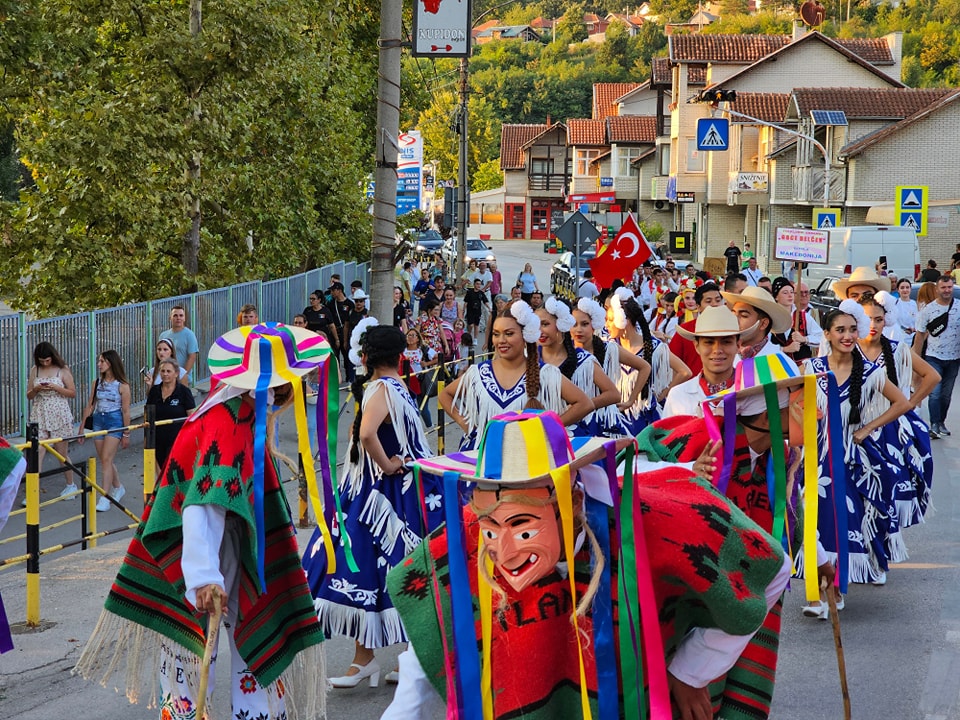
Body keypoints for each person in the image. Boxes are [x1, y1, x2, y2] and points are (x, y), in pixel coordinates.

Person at [381, 411, 791, 720]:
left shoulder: (654, 519)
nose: (502, 551)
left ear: (574, 503)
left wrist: (691, 670)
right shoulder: (467, 540)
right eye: (489, 526)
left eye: (523, 525)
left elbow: (773, 568)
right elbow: (430, 626)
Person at [77, 322, 329, 720]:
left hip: (229, 541)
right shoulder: (226, 420)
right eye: (287, 380)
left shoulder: (241, 411)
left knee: (239, 647)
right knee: (191, 656)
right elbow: (201, 505)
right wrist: (203, 576)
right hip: (200, 548)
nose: (292, 387)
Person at [304, 322, 441, 688]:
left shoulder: (381, 388)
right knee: (380, 571)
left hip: (381, 493)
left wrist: (385, 465)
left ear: (365, 357)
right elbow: (369, 434)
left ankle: (389, 659)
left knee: (378, 570)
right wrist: (389, 464)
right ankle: (369, 660)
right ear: (399, 356)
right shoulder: (390, 387)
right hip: (389, 493)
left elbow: (366, 434)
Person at [803, 302, 913, 597]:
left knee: (855, 518)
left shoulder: (871, 372)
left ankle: (841, 584)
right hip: (819, 458)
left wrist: (868, 428)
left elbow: (902, 403)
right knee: (818, 522)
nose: (848, 336)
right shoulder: (810, 369)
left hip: (855, 458)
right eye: (840, 330)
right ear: (826, 334)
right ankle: (823, 588)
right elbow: (796, 409)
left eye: (852, 329)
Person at [440, 300, 592, 450]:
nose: (501, 341)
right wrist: (464, 423)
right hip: (483, 457)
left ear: (525, 335)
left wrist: (548, 427)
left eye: (509, 334)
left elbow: (585, 404)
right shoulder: (478, 373)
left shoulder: (546, 374)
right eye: (496, 334)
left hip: (528, 459)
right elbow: (445, 394)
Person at [857, 294, 936, 544]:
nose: (873, 324)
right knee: (859, 490)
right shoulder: (848, 349)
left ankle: (883, 547)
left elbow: (932, 376)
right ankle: (861, 547)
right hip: (856, 428)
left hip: (890, 429)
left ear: (886, 321)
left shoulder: (897, 349)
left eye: (878, 319)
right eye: (868, 319)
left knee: (888, 487)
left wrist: (910, 404)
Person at [607, 289, 691, 436]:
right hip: (616, 417)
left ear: (623, 321)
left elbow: (685, 372)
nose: (606, 324)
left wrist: (662, 395)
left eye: (610, 319)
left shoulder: (655, 347)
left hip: (645, 418)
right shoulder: (609, 346)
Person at [537, 297, 622, 436]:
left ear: (561, 324)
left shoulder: (584, 361)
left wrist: (580, 407)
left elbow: (613, 394)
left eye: (545, 324)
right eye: (536, 325)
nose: (540, 330)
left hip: (577, 435)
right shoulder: (529, 359)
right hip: (538, 434)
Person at [571, 297, 651, 435]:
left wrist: (630, 400)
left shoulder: (609, 349)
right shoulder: (565, 353)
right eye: (574, 324)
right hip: (573, 421)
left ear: (594, 324)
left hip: (606, 420)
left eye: (584, 324)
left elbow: (645, 367)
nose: (579, 329)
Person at [662, 306, 754, 417]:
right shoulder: (678, 395)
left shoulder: (753, 392)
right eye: (709, 342)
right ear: (697, 346)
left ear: (738, 346)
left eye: (726, 342)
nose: (717, 350)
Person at [77, 350, 131, 512]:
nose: (99, 364)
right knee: (105, 459)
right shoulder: (97, 383)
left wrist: (126, 433)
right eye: (99, 361)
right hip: (99, 421)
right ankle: (117, 486)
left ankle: (104, 496)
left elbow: (126, 411)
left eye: (102, 361)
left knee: (106, 459)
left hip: (115, 421)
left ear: (111, 363)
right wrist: (82, 427)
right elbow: (90, 405)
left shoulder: (122, 385)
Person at [26, 342, 77, 499]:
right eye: (42, 361)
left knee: (61, 452)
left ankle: (70, 485)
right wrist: (36, 389)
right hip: (40, 412)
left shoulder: (62, 369)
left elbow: (72, 392)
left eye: (47, 360)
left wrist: (56, 388)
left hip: (58, 413)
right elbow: (29, 395)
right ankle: (33, 491)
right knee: (37, 451)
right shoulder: (35, 370)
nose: (44, 363)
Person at [913, 274, 960, 437]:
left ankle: (941, 422)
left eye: (949, 287)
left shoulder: (959, 307)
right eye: (943, 287)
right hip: (933, 357)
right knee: (935, 392)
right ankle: (933, 424)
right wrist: (916, 359)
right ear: (937, 289)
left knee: (946, 395)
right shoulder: (928, 310)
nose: (947, 290)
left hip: (954, 359)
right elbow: (919, 336)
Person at [145, 358, 196, 473]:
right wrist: (147, 438)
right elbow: (148, 415)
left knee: (172, 471)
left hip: (177, 439)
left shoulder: (183, 392)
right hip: (158, 439)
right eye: (162, 371)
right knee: (162, 470)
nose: (165, 374)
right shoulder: (154, 391)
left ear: (176, 373)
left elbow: (191, 417)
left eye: (168, 371)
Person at [720, 285, 792, 359]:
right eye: (733, 314)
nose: (734, 320)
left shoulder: (778, 363)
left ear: (763, 324)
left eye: (744, 315)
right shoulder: (722, 355)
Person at [669, 282, 725, 375]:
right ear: (698, 307)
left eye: (718, 300)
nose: (714, 304)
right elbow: (672, 364)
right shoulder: (685, 330)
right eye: (708, 301)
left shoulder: (732, 329)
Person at [403, 327, 438, 427]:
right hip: (406, 381)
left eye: (413, 335)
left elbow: (438, 357)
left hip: (420, 381)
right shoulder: (402, 350)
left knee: (422, 407)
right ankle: (411, 426)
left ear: (418, 338)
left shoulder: (423, 350)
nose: (410, 338)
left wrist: (427, 363)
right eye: (408, 335)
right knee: (408, 406)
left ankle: (429, 425)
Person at [159, 305, 199, 381]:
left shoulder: (189, 335)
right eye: (175, 315)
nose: (178, 318)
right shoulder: (163, 335)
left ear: (184, 318)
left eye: (181, 315)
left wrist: (182, 375)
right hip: (167, 378)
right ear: (170, 318)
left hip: (182, 379)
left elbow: (192, 357)